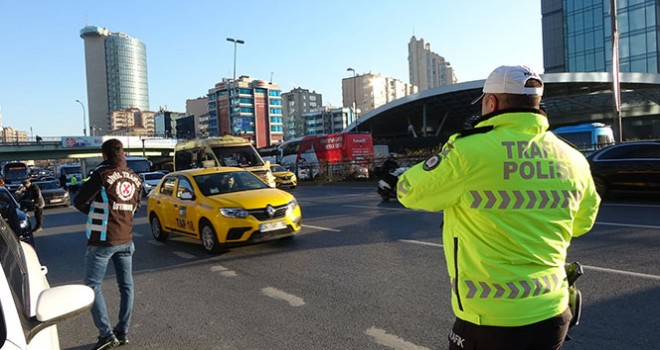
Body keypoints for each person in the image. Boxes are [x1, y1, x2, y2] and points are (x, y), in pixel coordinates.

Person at [397, 65, 601, 350]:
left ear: (491, 102)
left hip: (490, 321)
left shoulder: (468, 152)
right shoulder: (573, 158)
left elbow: (407, 190)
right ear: (536, 103)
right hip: (553, 311)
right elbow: (583, 222)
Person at [74, 139, 142, 350]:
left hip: (103, 240)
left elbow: (79, 201)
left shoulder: (102, 175)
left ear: (104, 156)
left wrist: (97, 214)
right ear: (123, 154)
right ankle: (122, 332)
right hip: (126, 239)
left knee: (92, 285)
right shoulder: (135, 178)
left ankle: (106, 335)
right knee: (126, 286)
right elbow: (136, 207)